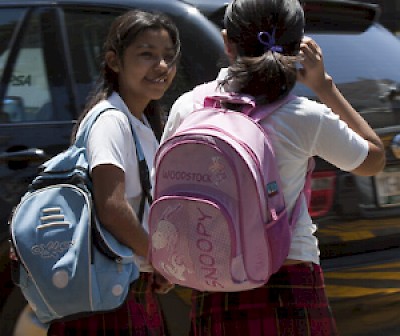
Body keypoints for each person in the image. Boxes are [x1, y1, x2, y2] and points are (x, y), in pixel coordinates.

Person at [161, 0, 385, 335]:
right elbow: (374, 159)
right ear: (299, 49)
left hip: (214, 278)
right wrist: (324, 87)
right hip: (290, 280)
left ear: (227, 42)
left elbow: (162, 187)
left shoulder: (189, 107)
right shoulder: (304, 116)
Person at [47, 9, 180, 336]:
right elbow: (112, 208)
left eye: (168, 57)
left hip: (125, 285)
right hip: (110, 292)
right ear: (114, 61)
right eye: (146, 55)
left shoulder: (142, 123)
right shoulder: (110, 120)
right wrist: (158, 259)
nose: (161, 66)